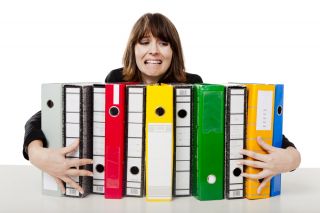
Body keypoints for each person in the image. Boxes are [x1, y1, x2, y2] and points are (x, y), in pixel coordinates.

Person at [23, 13, 300, 196]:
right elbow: (41, 117)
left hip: (179, 194)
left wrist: (291, 158)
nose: (154, 50)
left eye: (163, 43)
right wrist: (37, 154)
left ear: (173, 51)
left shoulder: (194, 86)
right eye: (144, 42)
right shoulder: (116, 82)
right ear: (133, 49)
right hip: (122, 193)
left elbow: (236, 129)